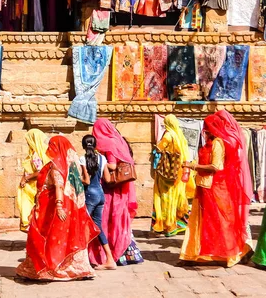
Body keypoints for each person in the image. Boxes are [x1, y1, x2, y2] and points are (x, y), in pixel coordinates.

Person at [16, 135, 99, 281]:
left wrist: (59, 205)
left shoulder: (57, 165)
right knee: (71, 237)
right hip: (73, 208)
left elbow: (59, 186)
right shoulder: (73, 165)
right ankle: (76, 268)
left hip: (54, 209)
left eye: (51, 145)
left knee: (50, 238)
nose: (49, 149)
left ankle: (51, 269)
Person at [180, 110, 252, 267]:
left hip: (215, 186)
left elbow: (216, 166)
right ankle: (192, 254)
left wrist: (193, 166)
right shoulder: (209, 143)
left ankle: (235, 253)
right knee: (201, 220)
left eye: (207, 128)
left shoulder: (218, 143)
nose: (204, 131)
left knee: (221, 220)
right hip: (204, 185)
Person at [90, 119, 143, 266]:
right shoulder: (117, 140)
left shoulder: (107, 143)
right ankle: (124, 253)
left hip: (111, 187)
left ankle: (111, 253)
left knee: (109, 218)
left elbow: (113, 165)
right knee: (119, 218)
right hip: (120, 188)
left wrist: (99, 162)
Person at [151, 114, 194, 237]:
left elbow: (159, 148)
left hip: (168, 173)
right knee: (177, 197)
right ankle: (181, 223)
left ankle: (168, 225)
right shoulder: (180, 135)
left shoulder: (168, 135)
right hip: (178, 172)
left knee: (165, 198)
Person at [80, 135, 117, 270]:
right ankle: (110, 259)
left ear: (83, 145)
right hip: (100, 194)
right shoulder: (102, 158)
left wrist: (76, 180)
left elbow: (86, 181)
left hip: (90, 195)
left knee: (82, 225)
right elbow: (107, 179)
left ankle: (82, 260)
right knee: (98, 227)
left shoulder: (83, 159)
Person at [17, 129, 50, 231]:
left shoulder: (37, 154)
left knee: (33, 213)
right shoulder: (43, 152)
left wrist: (26, 178)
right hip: (35, 187)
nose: (27, 143)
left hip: (34, 188)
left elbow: (41, 171)